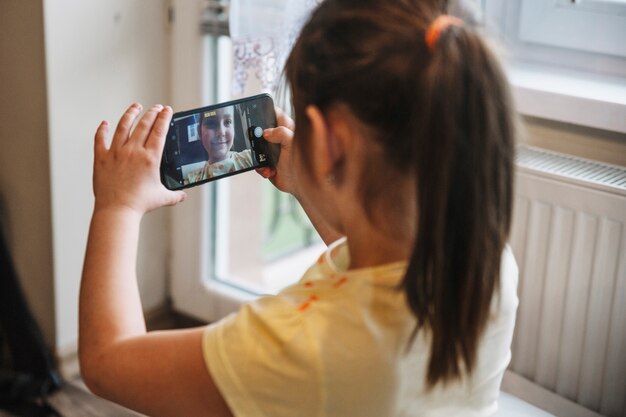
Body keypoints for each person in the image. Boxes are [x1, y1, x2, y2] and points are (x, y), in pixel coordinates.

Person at [79, 1, 518, 416]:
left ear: (330, 143)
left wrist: (118, 206)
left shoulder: (299, 348)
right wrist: (312, 188)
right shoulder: (485, 259)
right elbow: (369, 263)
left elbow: (107, 362)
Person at [185, 105, 254, 183]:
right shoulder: (192, 178)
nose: (221, 132)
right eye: (211, 123)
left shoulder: (249, 157)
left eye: (228, 122)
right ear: (199, 132)